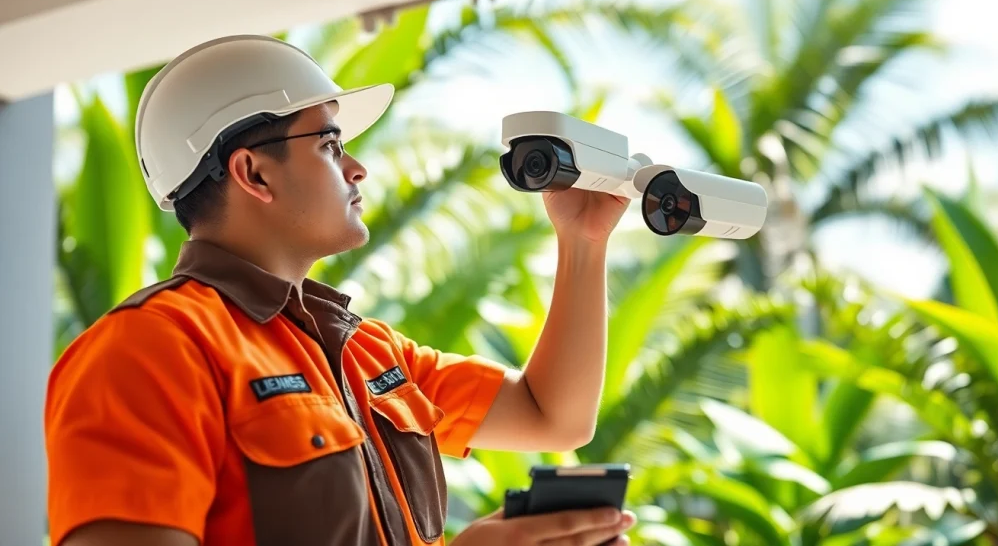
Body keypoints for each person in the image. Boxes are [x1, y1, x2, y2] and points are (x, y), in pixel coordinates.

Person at [44, 34, 636, 546]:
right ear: (254, 173)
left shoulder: (364, 351)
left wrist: (582, 239)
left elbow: (552, 415)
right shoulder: (147, 351)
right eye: (329, 144)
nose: (357, 168)